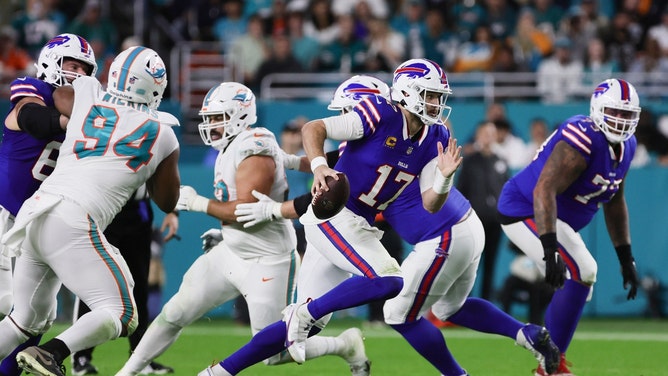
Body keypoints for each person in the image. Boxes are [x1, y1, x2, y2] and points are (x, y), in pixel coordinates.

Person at [236, 74, 561, 376]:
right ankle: (526, 333)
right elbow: (331, 166)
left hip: (444, 234)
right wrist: (293, 163)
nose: (349, 119)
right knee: (451, 309)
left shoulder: (390, 129)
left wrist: (275, 209)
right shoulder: (386, 143)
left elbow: (331, 190)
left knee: (397, 312)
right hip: (463, 227)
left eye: (351, 111)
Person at [198, 58, 462, 376]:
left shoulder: (436, 138)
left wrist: (444, 179)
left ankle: (219, 372)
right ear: (407, 91)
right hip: (336, 215)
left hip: (359, 225)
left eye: (438, 96)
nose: (436, 103)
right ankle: (307, 312)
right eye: (430, 95)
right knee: (390, 280)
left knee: (304, 330)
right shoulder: (380, 112)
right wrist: (319, 165)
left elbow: (431, 204)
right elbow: (315, 128)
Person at [116, 82, 369, 376]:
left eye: (218, 117)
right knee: (173, 313)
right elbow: (283, 168)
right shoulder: (238, 144)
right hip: (231, 252)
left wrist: (198, 204)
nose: (210, 124)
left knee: (273, 354)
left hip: (267, 259)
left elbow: (246, 211)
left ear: (239, 115)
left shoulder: (255, 148)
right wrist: (226, 234)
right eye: (209, 118)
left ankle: (345, 345)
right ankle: (127, 373)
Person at [0, 45, 180, 376]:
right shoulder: (163, 134)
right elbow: (167, 201)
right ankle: (51, 352)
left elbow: (53, 96)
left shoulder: (84, 92)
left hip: (35, 211)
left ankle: (41, 351)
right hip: (74, 217)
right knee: (123, 312)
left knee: (22, 320)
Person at [497, 78, 642, 376]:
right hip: (523, 210)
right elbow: (543, 190)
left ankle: (549, 356)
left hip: (556, 220)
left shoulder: (627, 146)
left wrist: (625, 256)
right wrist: (549, 248)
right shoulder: (583, 137)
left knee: (580, 284)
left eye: (628, 115)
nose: (621, 120)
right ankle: (551, 365)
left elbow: (615, 202)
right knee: (584, 270)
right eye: (615, 112)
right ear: (597, 109)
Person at [0, 33, 98, 376]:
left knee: (37, 314)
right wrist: (71, 124)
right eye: (72, 65)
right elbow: (32, 120)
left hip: (42, 221)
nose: (78, 74)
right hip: (5, 213)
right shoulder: (33, 88)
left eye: (85, 69)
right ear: (51, 61)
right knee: (6, 304)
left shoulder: (91, 111)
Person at [70, 189, 178, 376]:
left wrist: (172, 210)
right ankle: (80, 357)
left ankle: (141, 358)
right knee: (93, 284)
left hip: (138, 211)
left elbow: (162, 170)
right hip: (106, 206)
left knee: (140, 287)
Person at [456, 121, 509, 301]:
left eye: (491, 133)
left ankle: (486, 305)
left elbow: (506, 191)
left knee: (490, 265)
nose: (488, 137)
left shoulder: (501, 161)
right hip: (473, 221)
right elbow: (461, 190)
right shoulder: (470, 161)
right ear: (478, 136)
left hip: (494, 221)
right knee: (469, 265)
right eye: (484, 133)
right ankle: (464, 304)